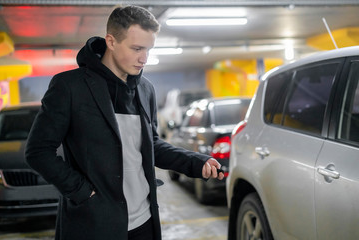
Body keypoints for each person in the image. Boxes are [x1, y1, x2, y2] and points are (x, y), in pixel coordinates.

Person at [25, 5, 224, 240]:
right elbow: (38, 151)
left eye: (148, 49)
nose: (144, 58)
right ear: (111, 41)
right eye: (137, 48)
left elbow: (152, 146)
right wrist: (81, 191)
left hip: (144, 221)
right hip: (95, 223)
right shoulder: (69, 87)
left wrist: (196, 162)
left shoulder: (145, 89)